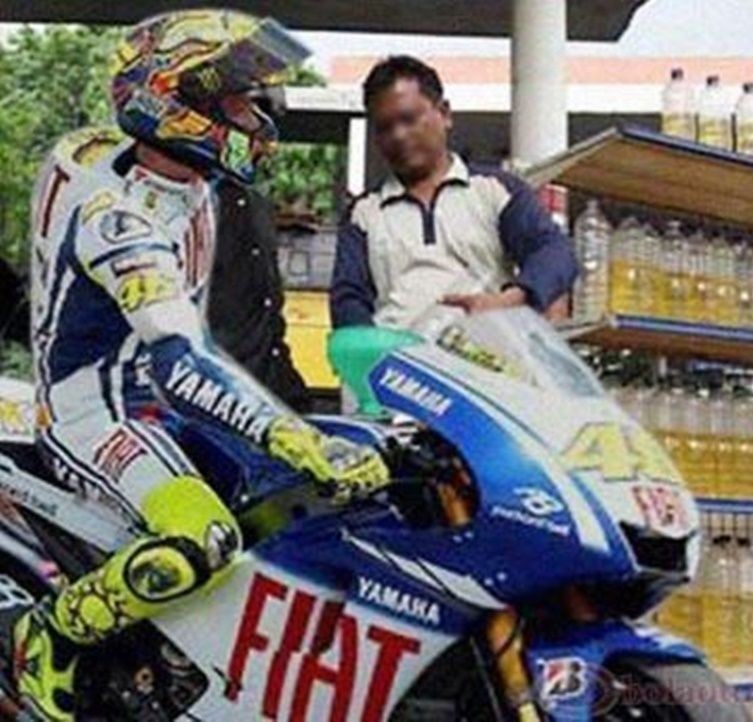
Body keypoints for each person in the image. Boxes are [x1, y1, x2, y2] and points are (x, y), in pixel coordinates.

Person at [19, 11, 389, 720]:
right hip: (92, 413)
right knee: (203, 538)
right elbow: (183, 360)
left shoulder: (188, 185)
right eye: (237, 100)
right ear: (176, 102)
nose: (256, 116)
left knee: (296, 510)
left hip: (158, 405)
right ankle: (54, 632)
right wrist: (293, 434)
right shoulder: (116, 219)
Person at [330, 55, 578, 330]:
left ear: (445, 114)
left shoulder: (495, 191)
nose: (398, 135)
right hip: (395, 356)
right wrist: (368, 347)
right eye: (384, 127)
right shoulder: (363, 214)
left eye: (409, 119)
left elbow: (555, 252)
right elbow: (348, 299)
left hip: (486, 353)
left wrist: (512, 299)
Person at [208, 181, 313, 412]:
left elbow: (269, 305)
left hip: (271, 380)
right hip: (220, 383)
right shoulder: (202, 203)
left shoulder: (258, 205)